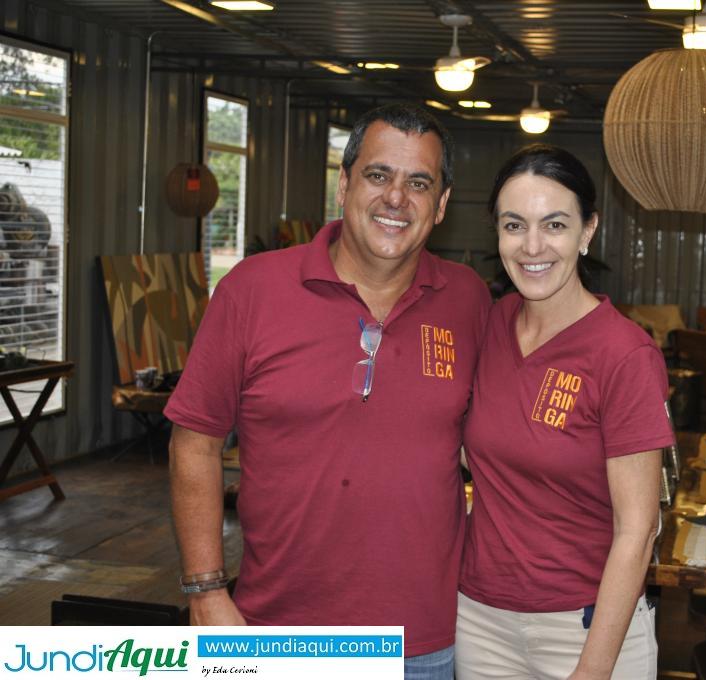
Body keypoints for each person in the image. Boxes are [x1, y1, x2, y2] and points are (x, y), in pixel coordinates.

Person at [165, 103, 491, 679]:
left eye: (419, 183)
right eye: (378, 175)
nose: (397, 198)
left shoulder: (468, 300)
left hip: (421, 643)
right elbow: (194, 443)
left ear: (441, 205)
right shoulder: (252, 290)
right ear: (344, 185)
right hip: (273, 631)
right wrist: (206, 590)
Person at [456, 145, 674, 679]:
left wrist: (592, 670)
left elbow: (638, 529)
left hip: (587, 629)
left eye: (554, 224)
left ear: (587, 231)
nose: (532, 246)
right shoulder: (489, 325)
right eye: (514, 225)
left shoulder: (624, 354)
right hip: (480, 622)